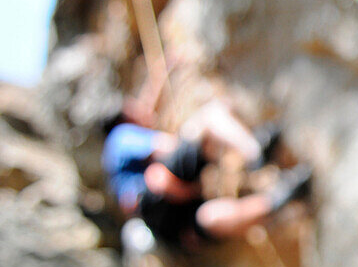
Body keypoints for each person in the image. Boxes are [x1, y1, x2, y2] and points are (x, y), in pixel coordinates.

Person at [101, 98, 311, 249]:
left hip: (162, 225)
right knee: (210, 116)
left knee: (206, 218)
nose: (142, 110)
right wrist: (187, 190)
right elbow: (164, 151)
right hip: (159, 193)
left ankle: (283, 196)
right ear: (125, 116)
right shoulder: (121, 136)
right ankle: (254, 149)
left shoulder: (113, 164)